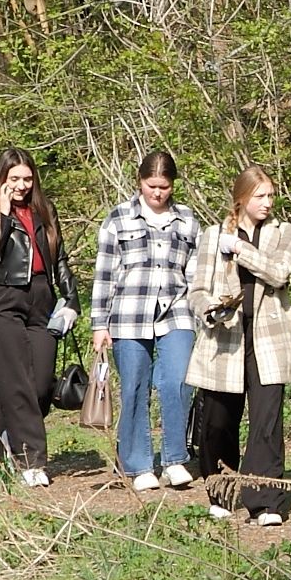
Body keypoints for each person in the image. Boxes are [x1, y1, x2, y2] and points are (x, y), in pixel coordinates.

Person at [185, 167, 291, 525]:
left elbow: (278, 273)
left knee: (266, 419)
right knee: (219, 420)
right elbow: (196, 291)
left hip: (269, 338)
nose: (267, 203)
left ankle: (265, 501)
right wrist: (210, 309)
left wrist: (239, 248)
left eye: (271, 196)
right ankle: (221, 491)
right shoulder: (212, 235)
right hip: (225, 339)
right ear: (241, 198)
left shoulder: (282, 232)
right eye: (260, 196)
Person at [90, 151, 202, 493]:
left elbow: (196, 273)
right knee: (135, 385)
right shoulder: (118, 218)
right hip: (128, 315)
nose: (158, 193)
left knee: (178, 381)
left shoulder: (187, 220)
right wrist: (99, 324)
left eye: (164, 187)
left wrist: (204, 310)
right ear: (140, 182)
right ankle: (138, 463)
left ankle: (174, 459)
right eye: (152, 186)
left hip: (177, 310)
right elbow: (105, 273)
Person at [0, 148, 81, 485]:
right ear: (2, 180)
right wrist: (3, 214)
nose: (21, 185)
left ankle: (9, 434)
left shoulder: (44, 211)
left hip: (41, 298)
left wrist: (72, 300)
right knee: (17, 380)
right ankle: (31, 461)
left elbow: (58, 257)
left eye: (27, 178)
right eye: (14, 178)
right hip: (5, 297)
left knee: (41, 382)